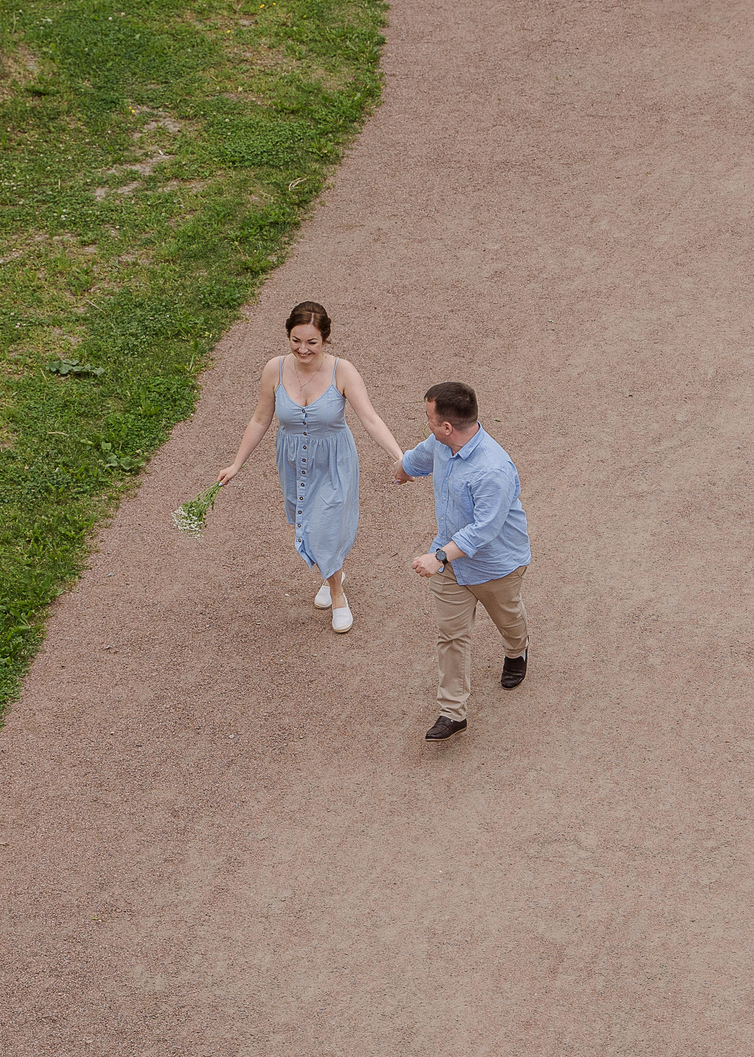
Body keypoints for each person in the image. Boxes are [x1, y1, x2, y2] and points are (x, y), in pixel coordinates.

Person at [217, 302, 407, 632]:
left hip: (334, 461)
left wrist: (399, 456)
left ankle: (337, 595)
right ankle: (333, 570)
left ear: (325, 339)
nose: (303, 349)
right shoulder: (274, 370)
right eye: (296, 340)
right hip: (293, 462)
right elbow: (260, 419)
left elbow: (370, 419)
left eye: (312, 342)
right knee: (306, 523)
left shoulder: (342, 371)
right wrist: (237, 463)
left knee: (323, 527)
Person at [394, 380, 529, 740]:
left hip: (495, 565)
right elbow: (418, 457)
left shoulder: (493, 470)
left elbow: (484, 530)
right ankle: (453, 712)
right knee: (451, 635)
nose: (427, 425)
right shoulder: (442, 445)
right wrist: (403, 470)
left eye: (429, 419)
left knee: (508, 617)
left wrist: (438, 557)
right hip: (452, 565)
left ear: (447, 426)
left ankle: (517, 650)